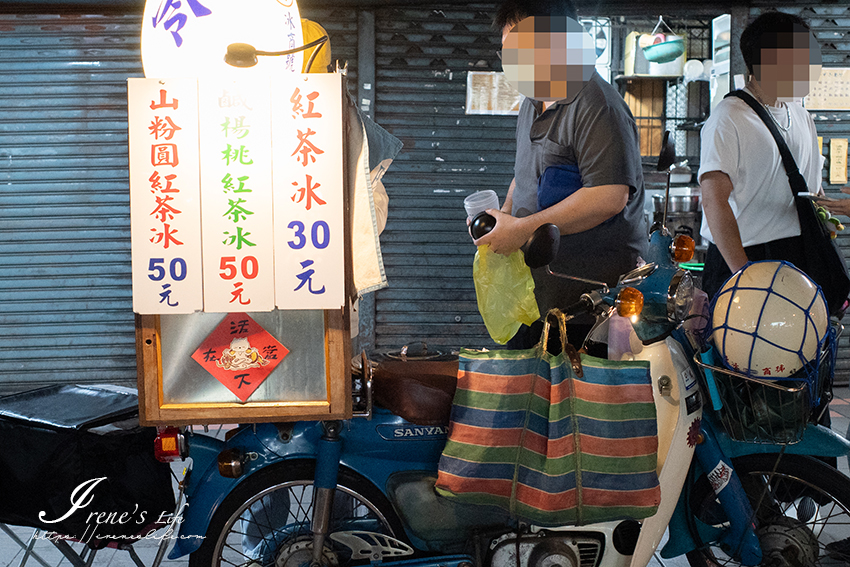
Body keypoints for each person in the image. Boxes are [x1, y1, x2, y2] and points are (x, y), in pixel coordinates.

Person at [474, 0, 647, 349]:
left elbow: (609, 196)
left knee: (580, 401)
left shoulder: (598, 104)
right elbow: (525, 174)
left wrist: (521, 229)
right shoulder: (532, 100)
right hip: (536, 295)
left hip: (588, 307)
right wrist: (503, 219)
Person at [699, 11, 824, 300]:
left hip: (798, 256)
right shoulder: (729, 117)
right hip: (745, 258)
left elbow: (812, 192)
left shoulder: (802, 116)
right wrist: (744, 276)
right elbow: (713, 201)